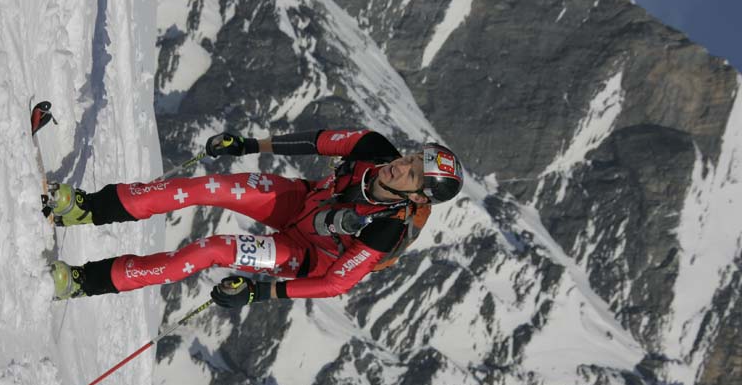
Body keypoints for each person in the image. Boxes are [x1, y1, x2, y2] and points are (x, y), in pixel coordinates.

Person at [48, 129, 464, 308]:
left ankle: (84, 281)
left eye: (412, 174)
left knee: (209, 250)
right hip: (300, 200)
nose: (401, 166)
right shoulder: (373, 147)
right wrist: (248, 145)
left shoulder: (387, 230)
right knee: (208, 187)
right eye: (412, 157)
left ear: (416, 196)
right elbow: (316, 141)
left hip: (301, 255)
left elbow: (335, 283)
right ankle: (86, 208)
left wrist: (260, 293)